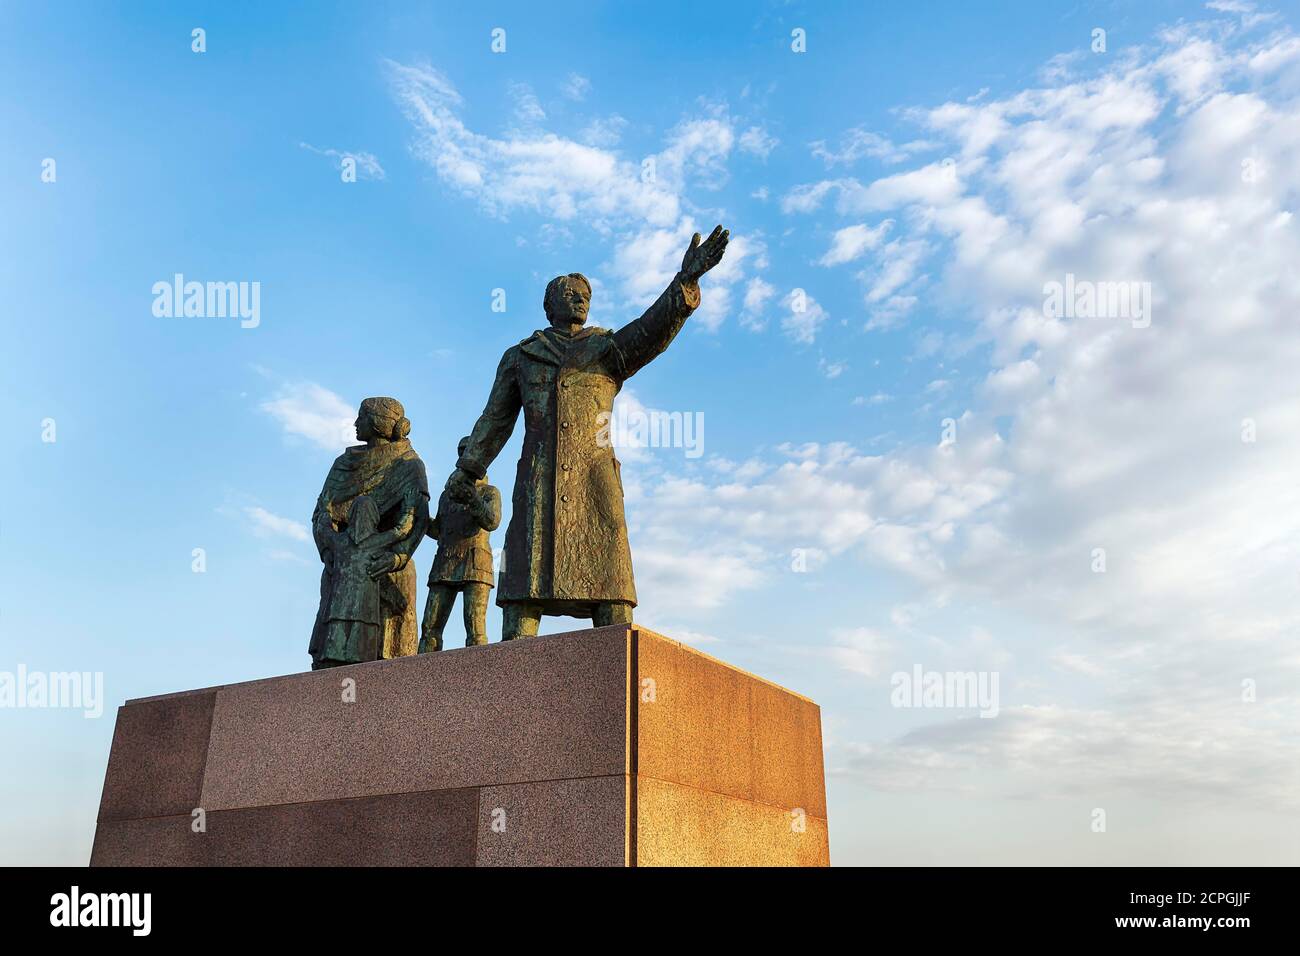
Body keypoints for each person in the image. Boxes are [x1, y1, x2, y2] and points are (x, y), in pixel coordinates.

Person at [444, 226, 729, 640]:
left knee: (611, 596)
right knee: (524, 597)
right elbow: (495, 420)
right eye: (570, 293)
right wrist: (469, 469)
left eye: (586, 296)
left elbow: (650, 331)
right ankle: (509, 687)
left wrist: (684, 282)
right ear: (548, 304)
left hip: (595, 484)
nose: (580, 299)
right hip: (538, 484)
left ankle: (621, 675)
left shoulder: (606, 348)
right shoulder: (521, 357)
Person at [419, 437, 501, 650]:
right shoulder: (447, 495)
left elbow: (492, 522)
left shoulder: (489, 492)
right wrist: (420, 516)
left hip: (476, 563)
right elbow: (439, 531)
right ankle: (419, 678)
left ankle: (479, 678)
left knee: (475, 628)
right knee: (429, 627)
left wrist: (473, 498)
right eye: (463, 453)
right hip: (445, 562)